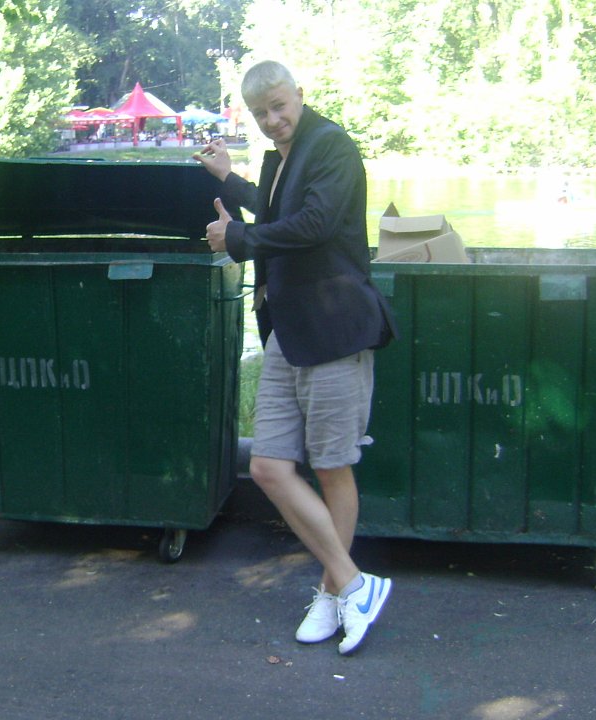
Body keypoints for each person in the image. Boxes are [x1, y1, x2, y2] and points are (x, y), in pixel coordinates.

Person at [194, 61, 398, 654]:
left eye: (279, 106)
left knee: (332, 466)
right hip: (288, 328)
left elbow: (314, 224)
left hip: (334, 329)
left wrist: (236, 239)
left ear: (300, 96)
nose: (272, 120)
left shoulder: (332, 145)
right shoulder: (279, 157)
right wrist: (230, 179)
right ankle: (354, 584)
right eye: (261, 114)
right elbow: (276, 211)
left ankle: (334, 594)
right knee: (268, 467)